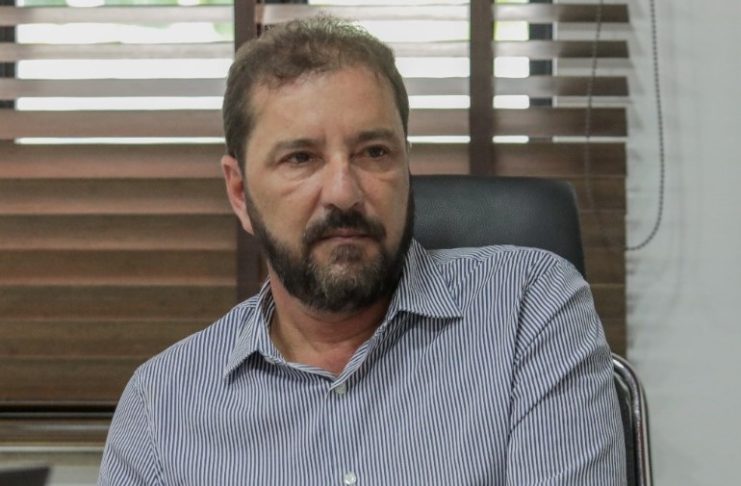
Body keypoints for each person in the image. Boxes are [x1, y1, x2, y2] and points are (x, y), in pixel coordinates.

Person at [98, 16, 625, 485]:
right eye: (301, 158)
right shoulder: (161, 408)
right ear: (240, 193)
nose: (344, 192)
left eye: (373, 152)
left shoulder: (529, 309)